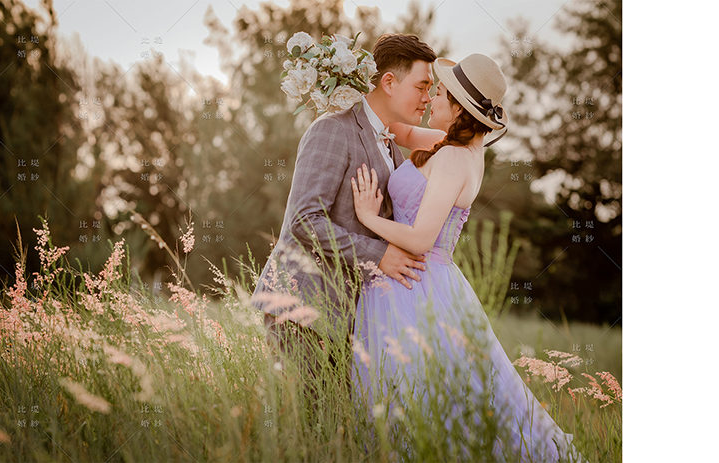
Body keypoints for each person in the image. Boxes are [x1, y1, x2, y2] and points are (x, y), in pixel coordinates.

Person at [350, 53, 588, 462]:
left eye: (439, 93)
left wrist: (368, 217)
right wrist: (347, 92)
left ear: (459, 108)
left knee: (415, 389)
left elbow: (422, 238)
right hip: (423, 281)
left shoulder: (453, 159)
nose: (431, 100)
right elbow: (399, 129)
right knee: (426, 389)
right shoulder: (456, 148)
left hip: (417, 282)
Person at [250, 34, 436, 405]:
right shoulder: (332, 129)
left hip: (348, 316)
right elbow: (305, 219)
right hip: (302, 308)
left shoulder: (390, 146)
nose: (428, 98)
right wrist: (378, 254)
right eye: (422, 86)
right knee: (309, 430)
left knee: (337, 432)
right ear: (388, 82)